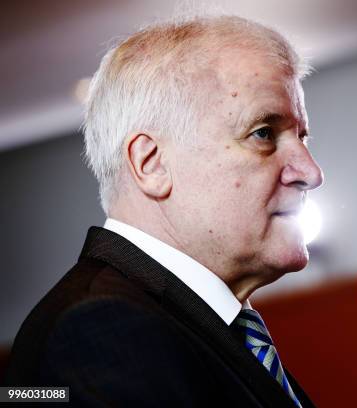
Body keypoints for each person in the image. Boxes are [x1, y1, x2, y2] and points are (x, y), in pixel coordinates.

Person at [4, 14, 323, 407]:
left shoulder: (157, 322)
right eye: (263, 134)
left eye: (302, 136)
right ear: (151, 164)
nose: (310, 172)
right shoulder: (98, 334)